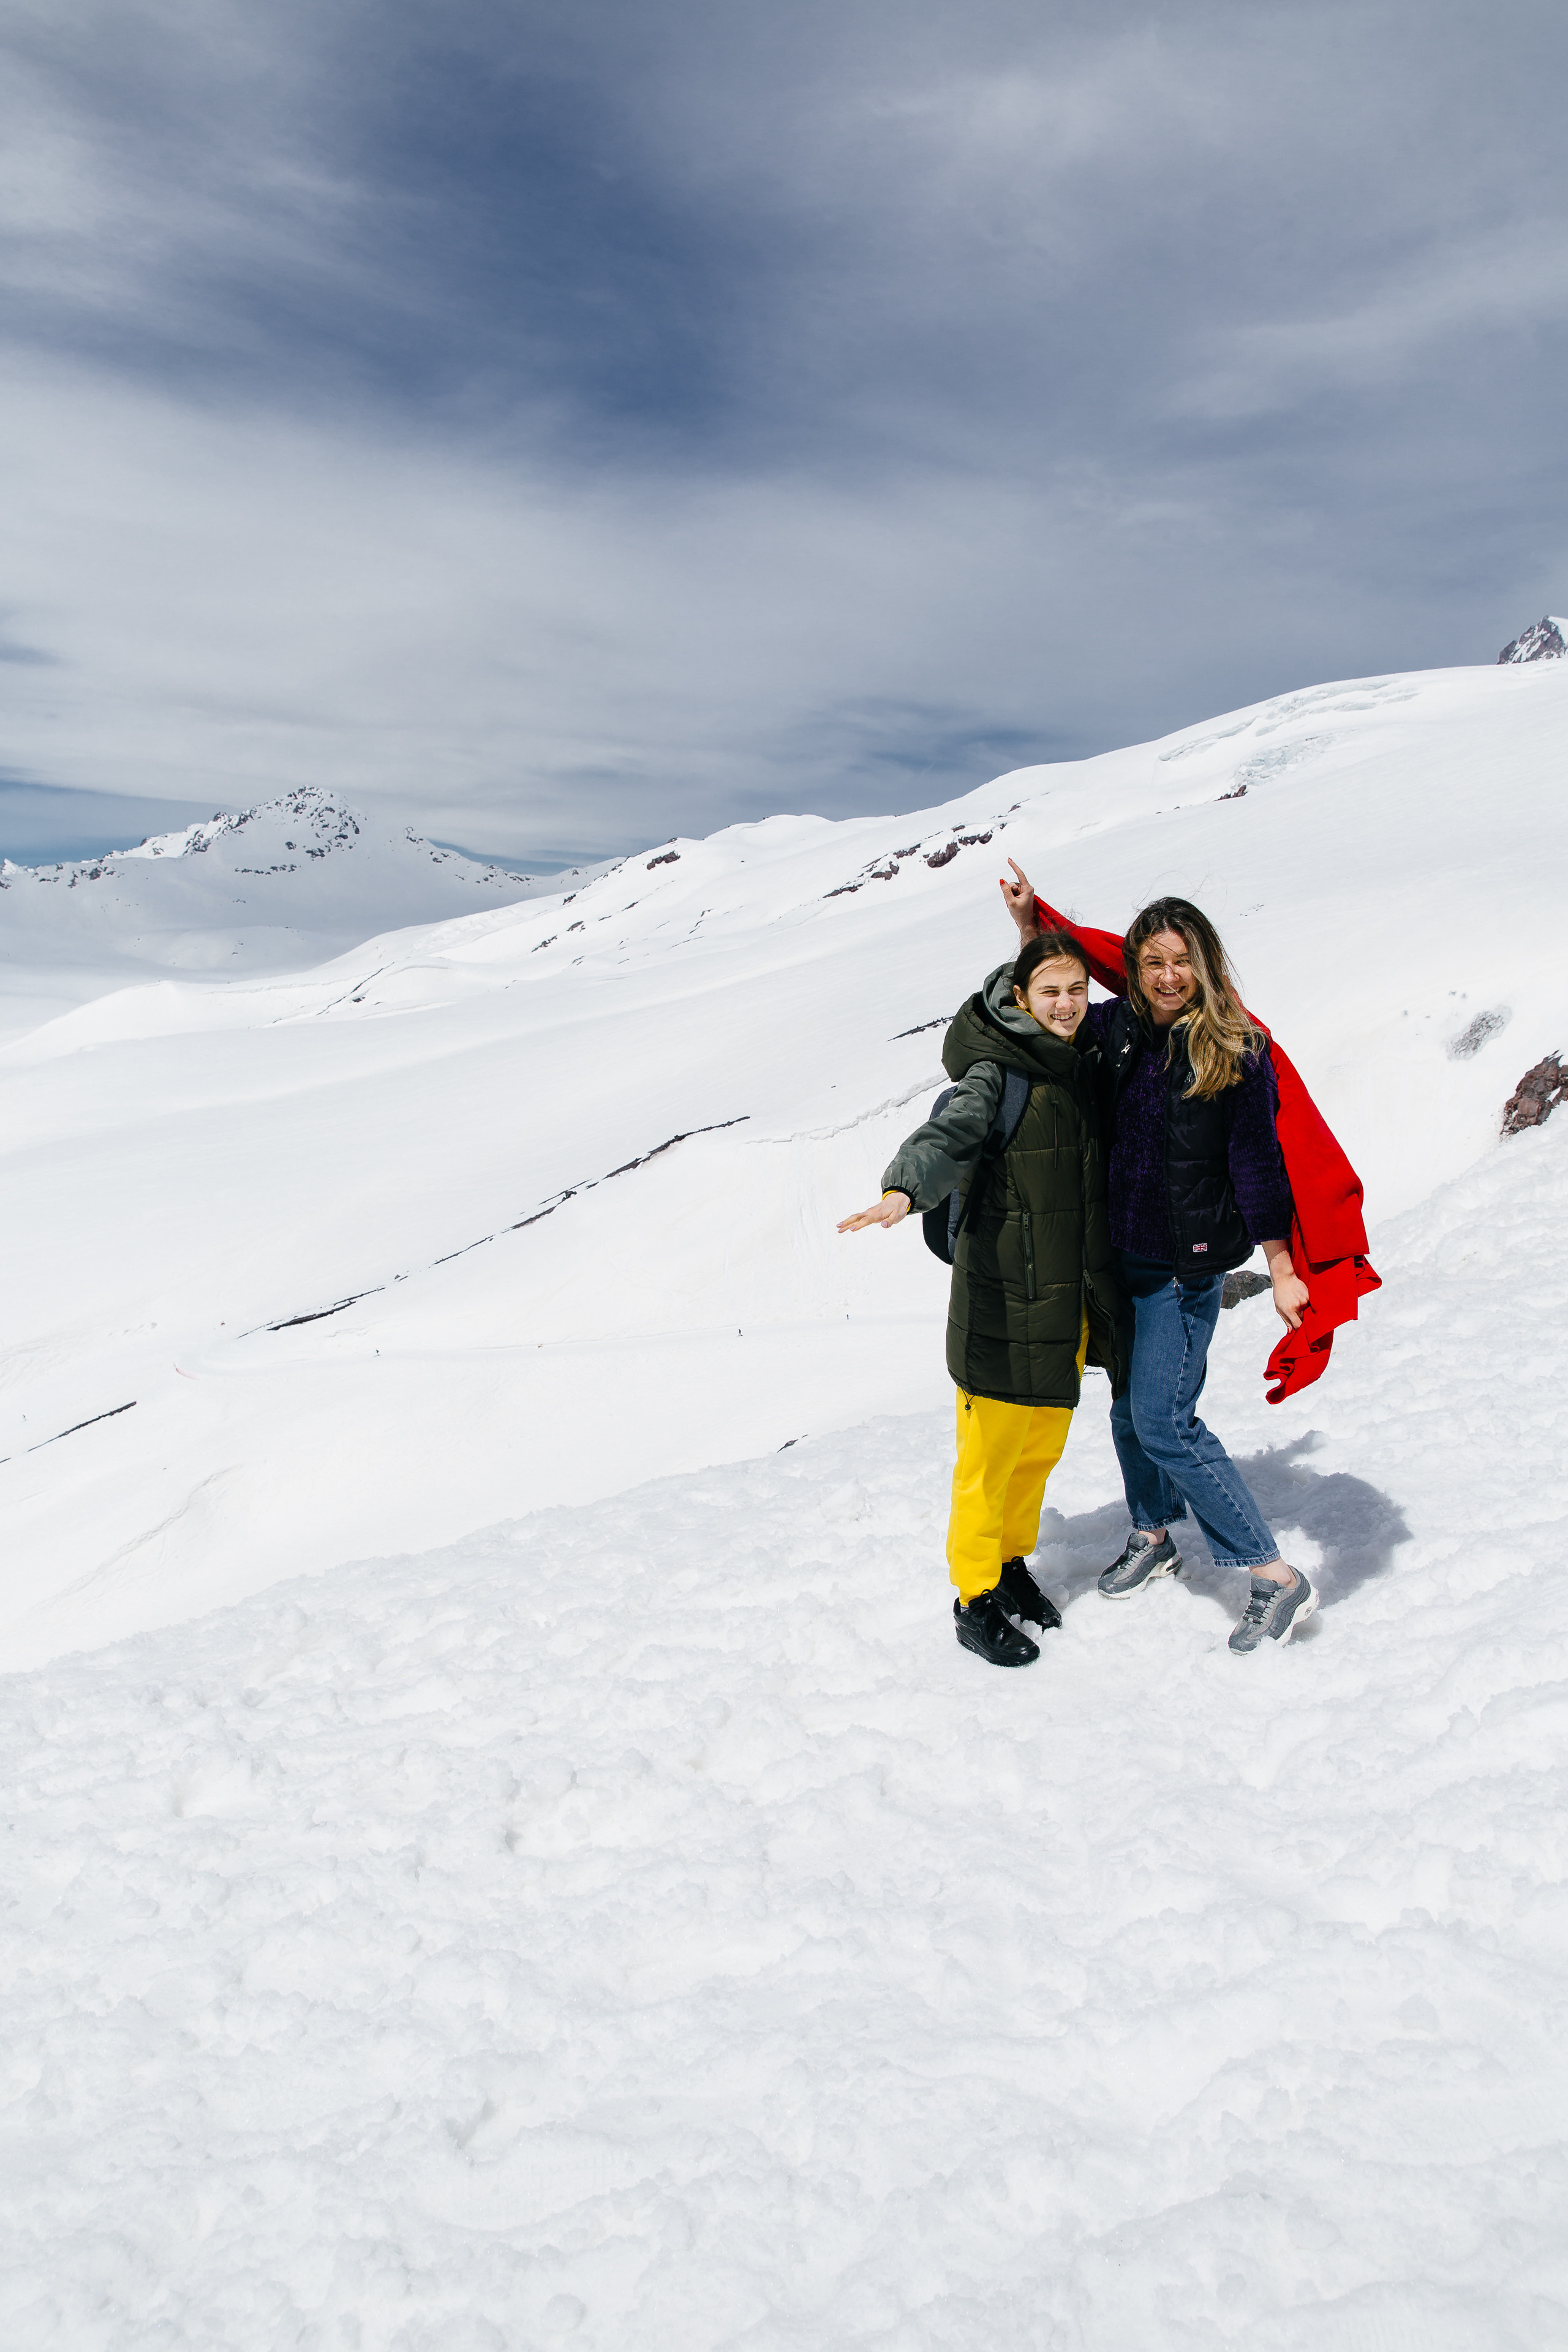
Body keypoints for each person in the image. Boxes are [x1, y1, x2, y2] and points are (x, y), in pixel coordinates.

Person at [1001, 865, 1317, 1653]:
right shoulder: (1120, 1032)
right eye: (1153, 962)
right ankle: (1154, 1533)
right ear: (1137, 970)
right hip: (1124, 1259)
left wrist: (1280, 1265)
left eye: (1181, 961)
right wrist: (1026, 932)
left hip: (1186, 1268)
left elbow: (1258, 1164)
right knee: (1127, 1410)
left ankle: (1273, 1574)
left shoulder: (1237, 1050)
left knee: (1167, 1423)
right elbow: (1061, 1000)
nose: (1169, 976)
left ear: (1203, 964)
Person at [839, 933, 1126, 1668]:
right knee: (987, 1467)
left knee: (1035, 1459)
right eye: (1049, 992)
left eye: (1075, 992)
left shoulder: (1078, 1069)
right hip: (1000, 1308)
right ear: (1019, 999)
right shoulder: (996, 1076)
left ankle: (1008, 1567)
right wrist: (906, 1186)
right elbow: (949, 1133)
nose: (1065, 1005)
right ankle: (973, 1598)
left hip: (1061, 1311)